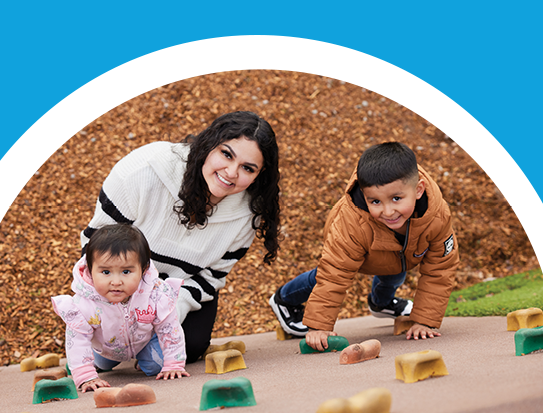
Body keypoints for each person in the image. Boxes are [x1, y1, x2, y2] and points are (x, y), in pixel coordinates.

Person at [80, 111, 281, 363]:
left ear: (258, 175)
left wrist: (173, 309)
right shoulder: (144, 170)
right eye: (226, 154)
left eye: (247, 168)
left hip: (181, 286)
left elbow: (214, 274)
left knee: (190, 346)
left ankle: (146, 344)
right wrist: (120, 306)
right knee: (106, 356)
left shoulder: (248, 214)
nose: (231, 172)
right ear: (209, 145)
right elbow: (94, 246)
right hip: (122, 280)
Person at [269, 141, 459, 351]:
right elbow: (335, 273)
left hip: (397, 254)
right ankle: (283, 299)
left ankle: (381, 303)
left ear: (419, 190)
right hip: (354, 246)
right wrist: (319, 326)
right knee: (324, 276)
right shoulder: (351, 224)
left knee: (395, 269)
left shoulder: (437, 215)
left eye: (396, 198)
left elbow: (440, 268)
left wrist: (425, 320)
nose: (387, 211)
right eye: (375, 202)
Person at [52, 223, 190, 392]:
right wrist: (86, 376)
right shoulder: (84, 304)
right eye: (105, 272)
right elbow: (78, 338)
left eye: (126, 272)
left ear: (143, 269)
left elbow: (169, 328)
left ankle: (143, 359)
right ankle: (80, 365)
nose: (116, 282)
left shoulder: (154, 293)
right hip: (105, 349)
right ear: (90, 270)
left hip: (143, 342)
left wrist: (174, 364)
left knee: (157, 365)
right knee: (100, 363)